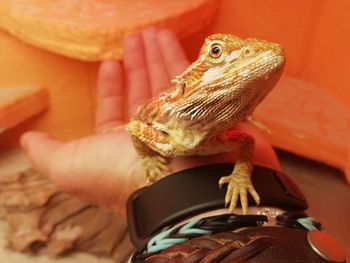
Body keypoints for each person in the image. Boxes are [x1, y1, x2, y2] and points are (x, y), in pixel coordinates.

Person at [20, 27, 280, 217]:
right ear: (188, 84)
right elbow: (135, 127)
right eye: (217, 52)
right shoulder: (169, 143)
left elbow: (247, 140)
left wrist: (241, 176)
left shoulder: (222, 139)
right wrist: (147, 159)